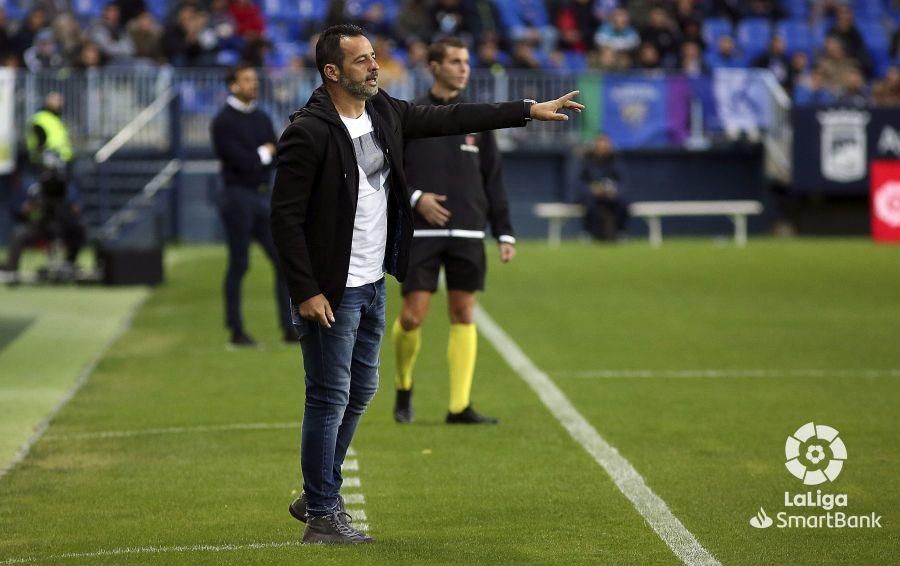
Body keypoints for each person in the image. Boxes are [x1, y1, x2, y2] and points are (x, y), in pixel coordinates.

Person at [270, 23, 582, 544]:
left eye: (374, 57)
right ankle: (323, 512)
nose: (375, 66)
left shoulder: (384, 111)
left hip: (372, 281)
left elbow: (454, 116)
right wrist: (306, 290)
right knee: (328, 395)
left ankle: (316, 489)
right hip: (332, 287)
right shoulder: (309, 131)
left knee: (362, 388)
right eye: (363, 60)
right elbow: (284, 219)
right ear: (332, 72)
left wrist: (526, 109)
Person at [390, 37, 514, 426]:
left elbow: (492, 177)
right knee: (412, 317)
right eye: (456, 61)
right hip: (421, 234)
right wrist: (416, 199)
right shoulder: (409, 116)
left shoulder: (478, 119)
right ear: (433, 66)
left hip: (468, 232)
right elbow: (388, 175)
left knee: (463, 311)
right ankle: (404, 384)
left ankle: (459, 407)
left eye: (467, 61)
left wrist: (504, 231)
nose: (464, 68)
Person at [209, 64, 293, 348]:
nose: (253, 85)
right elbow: (242, 161)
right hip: (237, 197)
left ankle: (289, 327)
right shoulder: (223, 121)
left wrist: (263, 155)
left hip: (262, 196)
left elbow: (277, 152)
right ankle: (236, 329)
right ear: (233, 85)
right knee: (239, 263)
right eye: (246, 80)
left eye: (254, 80)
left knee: (283, 261)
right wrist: (263, 153)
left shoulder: (261, 116)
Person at [2, 93, 85, 276]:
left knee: (77, 227)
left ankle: (68, 263)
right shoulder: (40, 119)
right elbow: (38, 143)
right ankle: (10, 266)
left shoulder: (58, 121)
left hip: (62, 175)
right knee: (23, 231)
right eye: (56, 100)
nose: (60, 103)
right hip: (42, 171)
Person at [580, 133, 627, 241]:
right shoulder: (587, 161)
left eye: (605, 144)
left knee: (622, 203)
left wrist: (613, 191)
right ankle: (588, 233)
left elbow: (622, 181)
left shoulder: (615, 160)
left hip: (611, 196)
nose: (603, 147)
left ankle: (620, 232)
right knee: (589, 203)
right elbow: (579, 182)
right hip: (592, 196)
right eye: (600, 144)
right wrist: (591, 189)